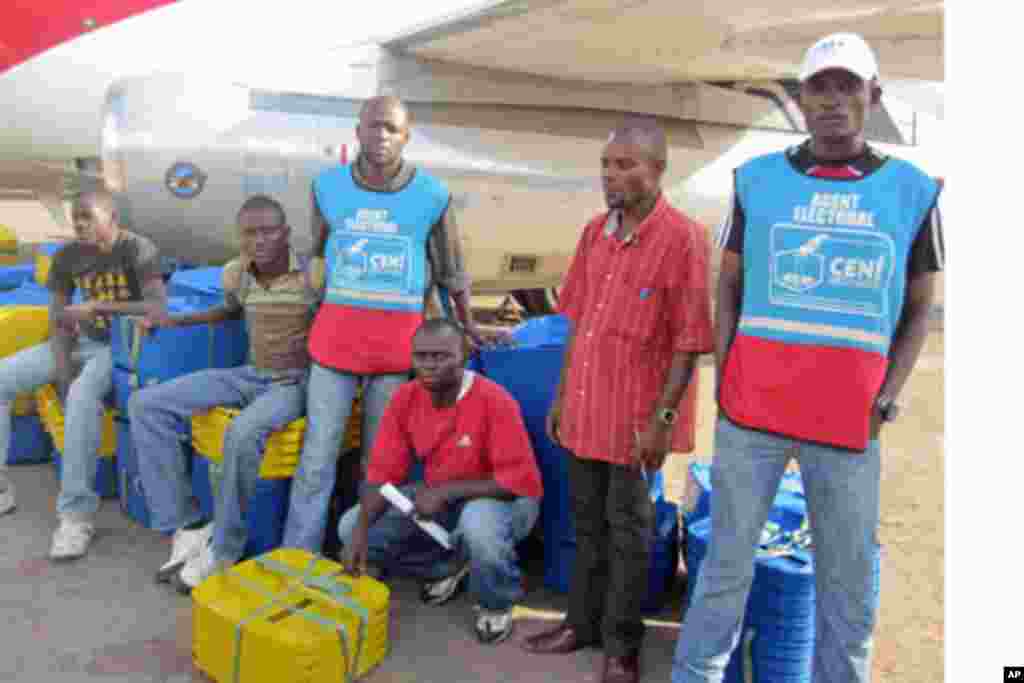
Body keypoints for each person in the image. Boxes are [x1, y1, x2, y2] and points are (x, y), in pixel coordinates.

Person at [671, 33, 944, 683]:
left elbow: (919, 308)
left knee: (846, 586)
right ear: (799, 98)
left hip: (849, 427)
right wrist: (726, 376)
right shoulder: (757, 180)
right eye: (819, 86)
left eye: (849, 86)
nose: (833, 100)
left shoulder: (913, 190)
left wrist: (890, 392)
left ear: (873, 97)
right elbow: (729, 283)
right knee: (724, 571)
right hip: (752, 415)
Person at [522, 118, 713, 683]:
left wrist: (663, 423)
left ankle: (622, 649)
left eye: (626, 164)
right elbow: (575, 324)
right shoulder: (593, 233)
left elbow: (689, 342)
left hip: (634, 419)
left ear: (658, 171)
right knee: (586, 525)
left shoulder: (683, 239)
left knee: (629, 532)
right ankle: (579, 624)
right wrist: (560, 399)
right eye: (607, 164)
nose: (612, 175)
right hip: (583, 409)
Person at [283, 95, 506, 555]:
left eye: (391, 129)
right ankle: (298, 555)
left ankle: (365, 553)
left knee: (380, 464)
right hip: (334, 346)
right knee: (317, 458)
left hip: (396, 352)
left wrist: (468, 325)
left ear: (406, 136)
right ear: (357, 131)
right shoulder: (327, 188)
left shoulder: (431, 196)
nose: (380, 136)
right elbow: (318, 260)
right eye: (373, 127)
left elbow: (451, 270)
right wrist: (304, 317)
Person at [128, 195, 322, 591]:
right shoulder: (238, 273)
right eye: (250, 233)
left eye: (269, 231)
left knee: (242, 434)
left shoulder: (313, 273)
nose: (260, 240)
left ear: (286, 233)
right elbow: (230, 311)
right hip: (250, 375)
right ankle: (187, 524)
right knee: (146, 404)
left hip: (293, 383)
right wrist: (176, 320)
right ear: (240, 237)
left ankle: (224, 550)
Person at [339, 318, 542, 645]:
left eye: (441, 356)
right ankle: (451, 563)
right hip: (441, 498)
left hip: (504, 499)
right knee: (349, 527)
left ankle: (496, 601)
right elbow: (381, 474)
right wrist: (361, 531)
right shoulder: (405, 398)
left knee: (478, 526)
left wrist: (447, 492)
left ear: (464, 354)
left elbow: (520, 482)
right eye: (422, 356)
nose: (429, 365)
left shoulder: (494, 400)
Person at [0, 189, 167, 558]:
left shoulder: (139, 249)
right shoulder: (67, 256)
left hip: (122, 348)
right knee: (3, 377)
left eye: (87, 217)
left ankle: (76, 516)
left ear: (112, 218)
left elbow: (158, 306)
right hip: (81, 343)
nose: (79, 225)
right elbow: (58, 318)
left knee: (81, 396)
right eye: (75, 219)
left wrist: (98, 306)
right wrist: (62, 372)